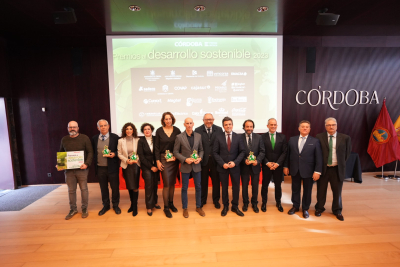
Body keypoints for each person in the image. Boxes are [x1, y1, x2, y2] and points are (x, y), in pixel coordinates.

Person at [315, 117, 351, 221]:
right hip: (323, 169)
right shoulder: (319, 137)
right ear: (325, 126)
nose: (331, 127)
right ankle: (319, 208)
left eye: (333, 125)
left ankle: (337, 210)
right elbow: (318, 153)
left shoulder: (345, 138)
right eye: (329, 125)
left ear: (336, 126)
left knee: (337, 191)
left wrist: (338, 163)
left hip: (337, 169)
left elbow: (347, 154)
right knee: (321, 190)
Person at [284, 120, 322, 219]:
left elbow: (319, 157)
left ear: (310, 129)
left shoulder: (315, 141)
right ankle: (295, 206)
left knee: (307, 190)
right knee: (295, 189)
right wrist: (285, 166)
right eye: (303, 126)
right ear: (299, 128)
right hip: (295, 169)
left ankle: (305, 208)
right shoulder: (292, 140)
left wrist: (317, 171)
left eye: (307, 127)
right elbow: (288, 155)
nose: (305, 128)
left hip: (309, 171)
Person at [58, 121, 93, 220]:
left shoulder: (85, 138)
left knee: (84, 189)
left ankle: (84, 209)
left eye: (74, 127)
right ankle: (73, 209)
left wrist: (86, 164)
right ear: (67, 128)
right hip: (69, 171)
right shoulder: (64, 139)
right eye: (70, 127)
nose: (72, 129)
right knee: (71, 190)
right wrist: (60, 164)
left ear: (78, 128)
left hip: (82, 169)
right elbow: (61, 153)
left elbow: (90, 152)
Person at [213, 117, 246, 217]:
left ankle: (235, 206)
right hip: (223, 167)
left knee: (236, 187)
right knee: (224, 187)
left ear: (232, 125)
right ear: (223, 126)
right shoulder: (218, 137)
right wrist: (222, 163)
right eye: (226, 124)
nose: (228, 126)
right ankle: (225, 206)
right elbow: (215, 152)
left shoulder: (238, 137)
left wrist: (235, 163)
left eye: (230, 124)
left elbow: (242, 152)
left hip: (235, 167)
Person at [173, 118, 205, 218]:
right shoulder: (179, 137)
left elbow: (201, 150)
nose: (189, 125)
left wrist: (199, 158)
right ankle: (185, 208)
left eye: (191, 123)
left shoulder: (198, 136)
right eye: (187, 123)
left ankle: (198, 206)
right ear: (184, 124)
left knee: (198, 187)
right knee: (184, 188)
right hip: (185, 165)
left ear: (193, 124)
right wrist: (185, 159)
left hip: (196, 165)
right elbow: (175, 152)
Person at [154, 112, 181, 218]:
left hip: (174, 160)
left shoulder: (177, 130)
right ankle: (165, 207)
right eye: (166, 119)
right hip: (163, 159)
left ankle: (171, 203)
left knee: (172, 183)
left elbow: (179, 145)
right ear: (163, 120)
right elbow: (156, 147)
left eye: (170, 119)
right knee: (166, 183)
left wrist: (176, 156)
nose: (168, 120)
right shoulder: (159, 131)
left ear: (172, 119)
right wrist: (157, 161)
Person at [91, 119, 121, 216]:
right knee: (103, 188)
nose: (103, 127)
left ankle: (115, 205)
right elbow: (92, 152)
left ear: (108, 126)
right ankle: (106, 205)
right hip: (100, 168)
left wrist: (114, 154)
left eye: (105, 125)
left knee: (115, 188)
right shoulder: (94, 138)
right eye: (101, 126)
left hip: (112, 167)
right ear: (98, 128)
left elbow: (120, 151)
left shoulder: (115, 137)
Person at [195, 113, 223, 209]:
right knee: (203, 182)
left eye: (210, 119)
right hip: (203, 161)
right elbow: (197, 146)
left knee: (216, 182)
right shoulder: (198, 130)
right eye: (206, 119)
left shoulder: (219, 129)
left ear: (213, 119)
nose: (208, 121)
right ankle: (203, 200)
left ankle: (216, 200)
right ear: (203, 120)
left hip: (216, 161)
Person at [261, 118, 287, 213]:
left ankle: (278, 202)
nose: (273, 126)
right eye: (271, 124)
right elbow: (261, 152)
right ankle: (264, 202)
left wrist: (277, 163)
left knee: (278, 185)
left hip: (278, 166)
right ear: (267, 126)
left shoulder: (282, 137)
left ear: (277, 126)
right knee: (265, 185)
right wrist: (267, 163)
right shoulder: (262, 137)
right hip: (266, 165)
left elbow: (284, 152)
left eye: (275, 125)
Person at [240, 119, 265, 213]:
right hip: (244, 166)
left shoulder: (259, 137)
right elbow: (237, 152)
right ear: (244, 127)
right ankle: (245, 203)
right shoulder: (239, 138)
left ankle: (254, 203)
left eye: (251, 126)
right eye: (247, 126)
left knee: (255, 186)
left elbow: (262, 151)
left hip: (255, 167)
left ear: (253, 127)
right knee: (245, 186)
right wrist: (244, 160)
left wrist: (257, 161)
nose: (249, 128)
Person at [137, 123, 162, 216]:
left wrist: (156, 165)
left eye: (149, 129)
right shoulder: (141, 141)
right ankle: (149, 206)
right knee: (148, 186)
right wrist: (151, 167)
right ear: (143, 131)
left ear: (152, 130)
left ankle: (155, 202)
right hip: (146, 166)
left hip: (157, 165)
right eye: (145, 129)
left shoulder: (156, 139)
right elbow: (141, 156)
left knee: (155, 184)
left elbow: (158, 153)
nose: (147, 131)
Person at [117, 122, 141, 216]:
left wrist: (135, 159)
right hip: (126, 165)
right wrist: (127, 160)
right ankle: (132, 204)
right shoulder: (120, 141)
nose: (129, 131)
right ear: (124, 131)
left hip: (135, 165)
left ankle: (135, 207)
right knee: (129, 186)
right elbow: (119, 153)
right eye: (127, 129)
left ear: (133, 130)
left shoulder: (138, 140)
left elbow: (140, 152)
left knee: (135, 186)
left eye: (130, 129)